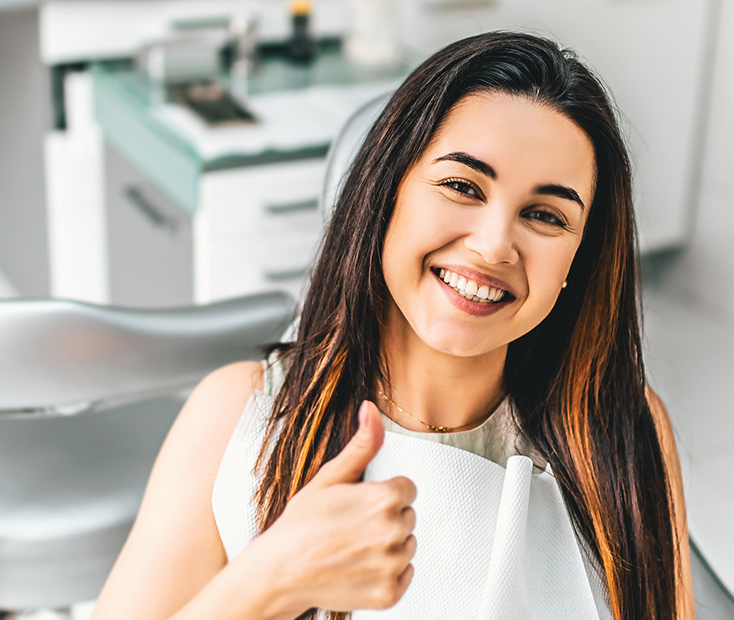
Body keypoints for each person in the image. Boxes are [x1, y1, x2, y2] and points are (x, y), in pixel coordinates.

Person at [92, 31, 691, 620]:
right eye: (462, 186)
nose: (493, 246)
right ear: (386, 197)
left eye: (544, 215)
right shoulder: (240, 415)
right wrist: (272, 579)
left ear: (576, 265)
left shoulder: (621, 426)